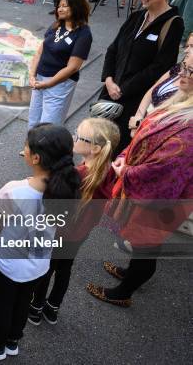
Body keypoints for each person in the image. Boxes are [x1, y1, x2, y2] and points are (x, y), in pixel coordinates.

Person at [86, 64, 193, 307]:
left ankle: (123, 293)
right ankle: (131, 273)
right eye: (185, 66)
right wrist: (125, 155)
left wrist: (126, 170)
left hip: (160, 199)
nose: (183, 74)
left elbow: (165, 169)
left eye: (191, 71)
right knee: (142, 241)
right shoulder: (183, 101)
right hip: (150, 188)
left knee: (147, 244)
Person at [0, 123, 81, 361]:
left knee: (1, 302)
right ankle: (13, 339)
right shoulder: (69, 188)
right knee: (23, 302)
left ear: (35, 157)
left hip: (8, 263)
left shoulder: (15, 191)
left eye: (25, 145)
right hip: (39, 263)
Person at [28, 118, 119, 325]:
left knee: (46, 269)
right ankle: (52, 309)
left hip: (58, 232)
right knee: (64, 270)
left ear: (95, 148)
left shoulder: (75, 175)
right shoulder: (109, 171)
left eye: (78, 136)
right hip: (80, 233)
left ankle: (35, 308)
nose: (73, 138)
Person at [99, 0, 184, 154]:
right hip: (109, 92)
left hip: (133, 101)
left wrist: (124, 89)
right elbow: (113, 49)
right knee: (95, 144)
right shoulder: (136, 16)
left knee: (115, 151)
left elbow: (160, 67)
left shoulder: (173, 23)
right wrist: (108, 79)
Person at [28, 0, 93, 131]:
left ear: (76, 7)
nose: (60, 9)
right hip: (39, 79)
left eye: (64, 6)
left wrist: (48, 83)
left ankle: (45, 152)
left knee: (49, 123)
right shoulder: (56, 26)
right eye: (59, 6)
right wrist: (32, 75)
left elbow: (73, 67)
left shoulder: (83, 34)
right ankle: (32, 149)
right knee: (34, 118)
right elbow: (40, 51)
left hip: (59, 84)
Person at [129, 32, 193, 133]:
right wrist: (138, 116)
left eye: (192, 46)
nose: (186, 50)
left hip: (150, 130)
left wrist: (140, 125)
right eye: (187, 45)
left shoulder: (187, 92)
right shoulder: (179, 67)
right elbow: (153, 89)